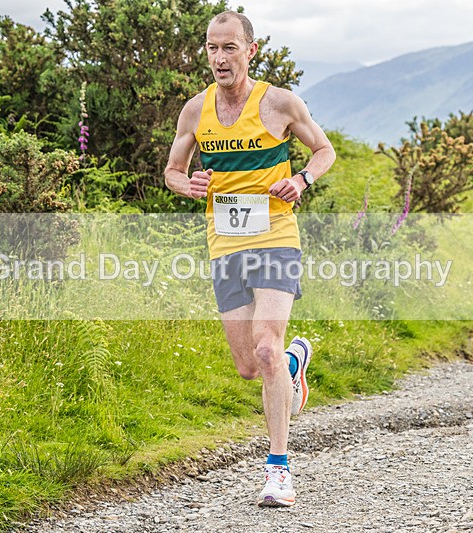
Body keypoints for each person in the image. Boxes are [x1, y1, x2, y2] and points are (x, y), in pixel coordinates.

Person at [164, 10, 335, 507]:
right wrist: (188, 184)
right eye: (213, 49)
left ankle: (278, 471)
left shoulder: (280, 103)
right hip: (226, 245)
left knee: (265, 347)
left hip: (277, 235)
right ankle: (293, 365)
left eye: (230, 48)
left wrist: (301, 179)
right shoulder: (195, 111)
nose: (220, 58)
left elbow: (323, 151)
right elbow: (173, 171)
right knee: (248, 366)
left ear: (250, 50)